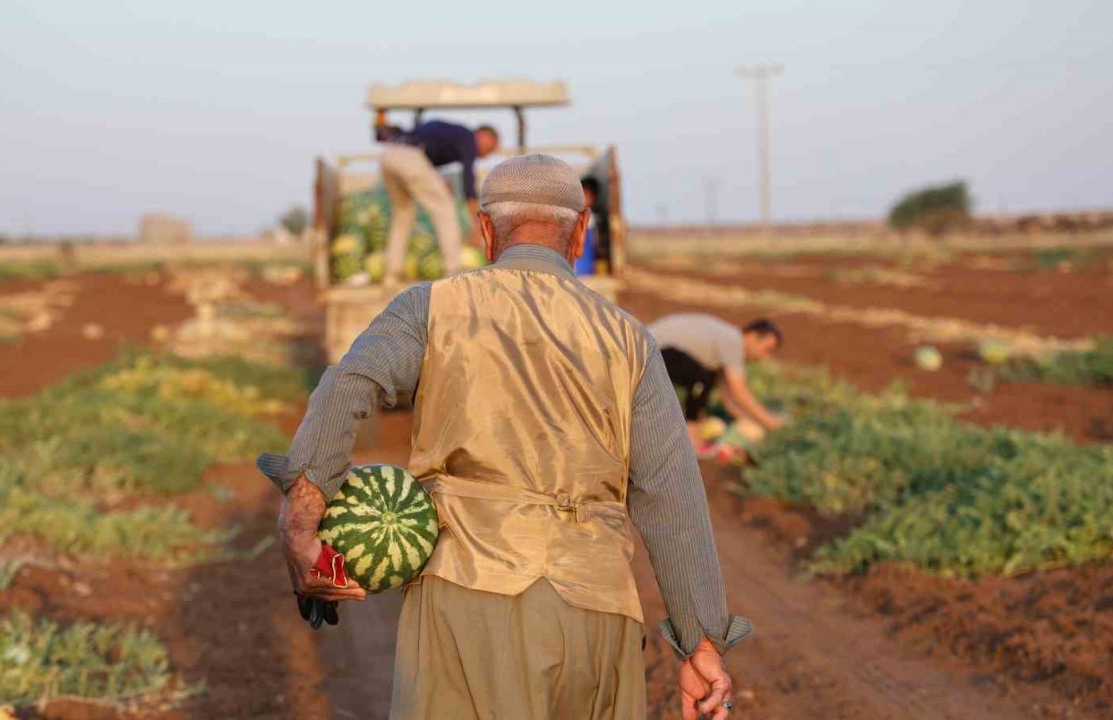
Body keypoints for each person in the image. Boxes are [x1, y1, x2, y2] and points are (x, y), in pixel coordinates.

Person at [260, 155, 750, 720]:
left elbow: (347, 386)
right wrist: (702, 644)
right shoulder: (630, 339)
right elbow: (672, 494)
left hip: (468, 597)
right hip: (599, 613)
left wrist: (300, 517)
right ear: (581, 230)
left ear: (485, 229)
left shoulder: (432, 307)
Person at [380, 120, 500, 284]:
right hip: (410, 157)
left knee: (403, 213)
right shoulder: (468, 138)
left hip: (389, 154)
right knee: (445, 210)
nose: (486, 155)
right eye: (490, 149)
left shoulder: (452, 133)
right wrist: (477, 224)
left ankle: (392, 273)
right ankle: (454, 270)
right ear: (483, 136)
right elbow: (468, 181)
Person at [647, 314, 786, 444]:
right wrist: (770, 422)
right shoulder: (734, 343)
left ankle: (691, 426)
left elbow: (729, 398)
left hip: (655, 348)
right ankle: (690, 434)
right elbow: (739, 392)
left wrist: (745, 419)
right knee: (700, 380)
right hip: (650, 350)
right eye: (767, 349)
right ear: (752, 336)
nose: (765, 357)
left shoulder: (727, 340)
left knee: (707, 379)